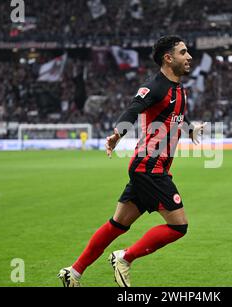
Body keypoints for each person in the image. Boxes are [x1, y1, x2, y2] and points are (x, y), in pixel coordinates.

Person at [58, 35, 206, 287]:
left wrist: (190, 129)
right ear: (168, 58)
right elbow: (133, 108)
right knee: (178, 226)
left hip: (148, 168)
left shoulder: (178, 89)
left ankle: (74, 272)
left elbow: (175, 117)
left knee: (117, 224)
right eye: (183, 52)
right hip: (150, 168)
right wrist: (118, 133)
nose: (189, 56)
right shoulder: (155, 86)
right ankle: (125, 257)